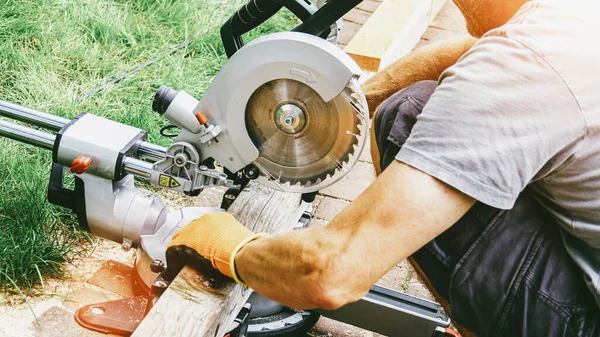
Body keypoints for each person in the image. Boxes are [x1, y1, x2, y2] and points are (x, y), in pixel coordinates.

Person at [159, 0, 600, 335]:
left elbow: (329, 273)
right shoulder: (569, 19)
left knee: (406, 116)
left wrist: (231, 248)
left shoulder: (524, 59)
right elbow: (476, 48)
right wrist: (333, 113)